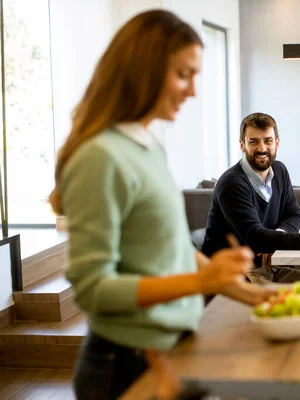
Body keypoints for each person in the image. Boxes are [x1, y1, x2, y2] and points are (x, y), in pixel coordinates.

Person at [50, 10, 273, 399]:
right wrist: (202, 282)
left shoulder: (147, 146)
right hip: (125, 366)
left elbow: (173, 250)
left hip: (171, 351)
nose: (192, 91)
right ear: (144, 70)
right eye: (184, 74)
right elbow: (94, 290)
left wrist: (250, 294)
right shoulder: (100, 157)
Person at [202, 112, 300, 284]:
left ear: (277, 143)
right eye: (253, 141)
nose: (262, 148)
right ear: (242, 145)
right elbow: (255, 237)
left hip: (270, 267)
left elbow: (294, 215)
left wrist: (274, 239)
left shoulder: (279, 171)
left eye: (268, 140)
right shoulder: (232, 183)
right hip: (237, 274)